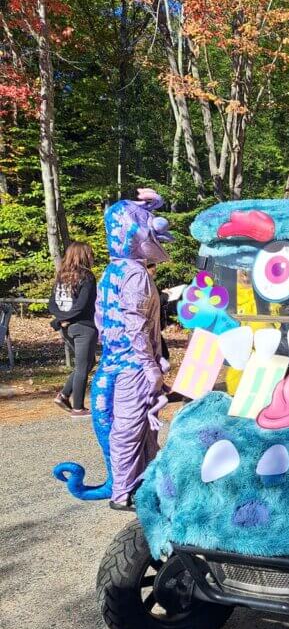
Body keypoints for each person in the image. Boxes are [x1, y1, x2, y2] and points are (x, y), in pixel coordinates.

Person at [53, 188, 173, 510]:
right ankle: (123, 492)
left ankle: (141, 481)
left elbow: (104, 321)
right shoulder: (133, 275)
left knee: (139, 429)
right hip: (130, 367)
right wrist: (150, 366)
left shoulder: (112, 271)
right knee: (130, 430)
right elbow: (134, 324)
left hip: (113, 365)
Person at [48, 242, 98, 416]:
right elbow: (82, 306)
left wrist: (61, 320)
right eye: (90, 254)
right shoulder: (87, 277)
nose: (93, 257)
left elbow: (52, 305)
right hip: (84, 327)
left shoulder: (62, 276)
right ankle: (78, 407)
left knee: (88, 362)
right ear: (83, 255)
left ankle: (63, 395)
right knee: (83, 366)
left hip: (67, 328)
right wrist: (64, 319)